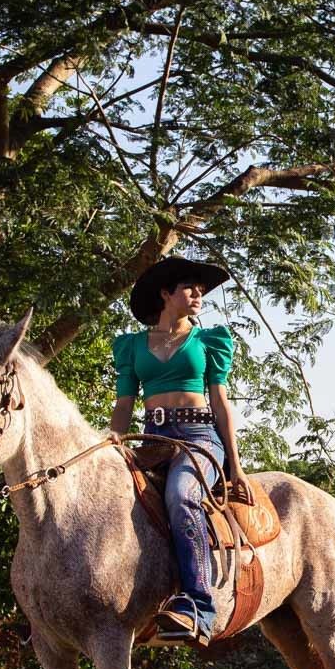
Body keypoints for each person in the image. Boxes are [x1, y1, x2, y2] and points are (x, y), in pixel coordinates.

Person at [112, 256, 247, 643]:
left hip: (199, 438)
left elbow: (220, 403)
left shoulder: (209, 341)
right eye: (190, 288)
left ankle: (199, 606)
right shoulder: (132, 346)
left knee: (181, 494)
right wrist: (112, 443)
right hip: (151, 441)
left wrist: (235, 466)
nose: (199, 295)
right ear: (165, 294)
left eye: (202, 290)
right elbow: (124, 405)